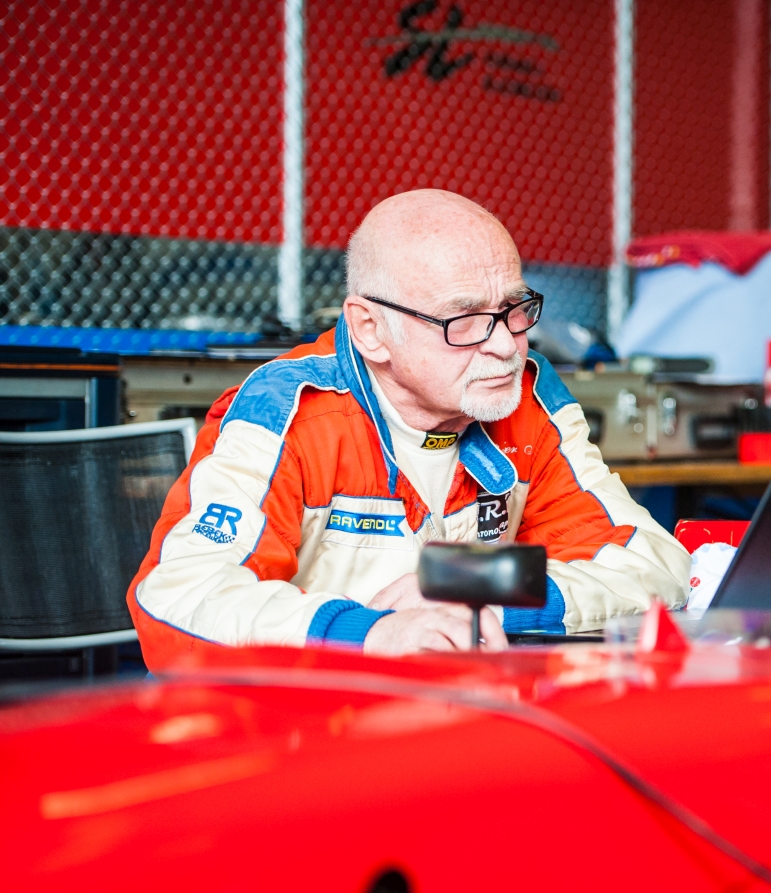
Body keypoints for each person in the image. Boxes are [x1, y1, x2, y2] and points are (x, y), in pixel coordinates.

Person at [128, 190, 690, 668]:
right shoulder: (287, 412)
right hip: (298, 740)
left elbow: (657, 566)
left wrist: (469, 583)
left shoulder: (528, 405)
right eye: (464, 320)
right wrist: (371, 635)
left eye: (516, 309)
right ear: (371, 329)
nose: (506, 346)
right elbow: (179, 598)